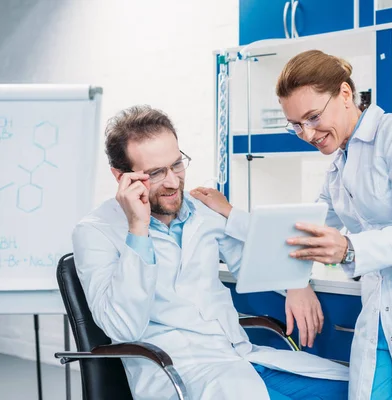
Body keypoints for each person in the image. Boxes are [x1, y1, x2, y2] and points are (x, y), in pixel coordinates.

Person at [196, 50, 392, 400]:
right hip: (382, 309)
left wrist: (349, 249)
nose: (307, 133)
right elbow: (300, 231)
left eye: (313, 117)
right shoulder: (339, 166)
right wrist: (231, 214)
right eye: (296, 125)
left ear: (346, 94)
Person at [71, 105, 349, 400]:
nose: (173, 181)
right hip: (181, 374)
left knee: (360, 389)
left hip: (242, 361)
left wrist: (296, 282)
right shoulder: (95, 232)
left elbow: (256, 258)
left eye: (177, 164)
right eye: (155, 173)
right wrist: (137, 229)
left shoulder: (202, 209)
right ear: (120, 176)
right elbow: (123, 327)